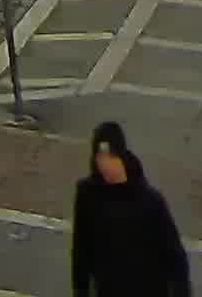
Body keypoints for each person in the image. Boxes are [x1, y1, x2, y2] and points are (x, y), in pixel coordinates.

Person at [71, 122, 190, 297]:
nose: (105, 164)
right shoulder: (88, 195)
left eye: (110, 157)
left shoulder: (149, 200)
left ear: (121, 157)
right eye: (101, 157)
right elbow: (81, 252)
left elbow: (175, 258)